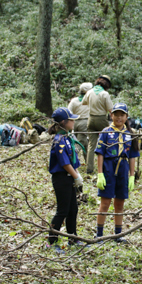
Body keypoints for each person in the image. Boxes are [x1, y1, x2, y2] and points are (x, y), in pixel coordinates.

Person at [94, 103, 139, 243]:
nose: (119, 118)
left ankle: (117, 235)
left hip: (123, 169)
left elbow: (132, 156)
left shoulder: (130, 134)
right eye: (116, 114)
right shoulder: (106, 132)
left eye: (122, 115)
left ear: (126, 117)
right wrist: (100, 173)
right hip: (108, 167)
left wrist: (132, 175)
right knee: (105, 202)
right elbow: (100, 153)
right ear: (111, 115)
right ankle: (99, 235)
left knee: (119, 203)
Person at [47, 108, 85, 253]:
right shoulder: (59, 141)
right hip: (61, 178)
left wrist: (76, 175)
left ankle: (72, 238)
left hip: (69, 177)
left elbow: (72, 160)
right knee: (62, 211)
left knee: (73, 209)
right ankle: (51, 242)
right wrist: (76, 176)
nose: (74, 122)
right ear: (64, 122)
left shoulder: (67, 138)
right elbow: (64, 163)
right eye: (71, 120)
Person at [83, 75, 114, 174]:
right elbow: (110, 110)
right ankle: (107, 165)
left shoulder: (89, 92)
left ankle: (89, 168)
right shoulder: (105, 94)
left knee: (91, 144)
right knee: (107, 142)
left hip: (91, 119)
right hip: (101, 119)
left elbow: (84, 102)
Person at [68, 82, 93, 163]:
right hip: (84, 122)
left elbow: (69, 112)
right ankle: (71, 158)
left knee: (83, 142)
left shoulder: (74, 100)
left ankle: (87, 161)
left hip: (74, 122)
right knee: (80, 143)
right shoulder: (90, 100)